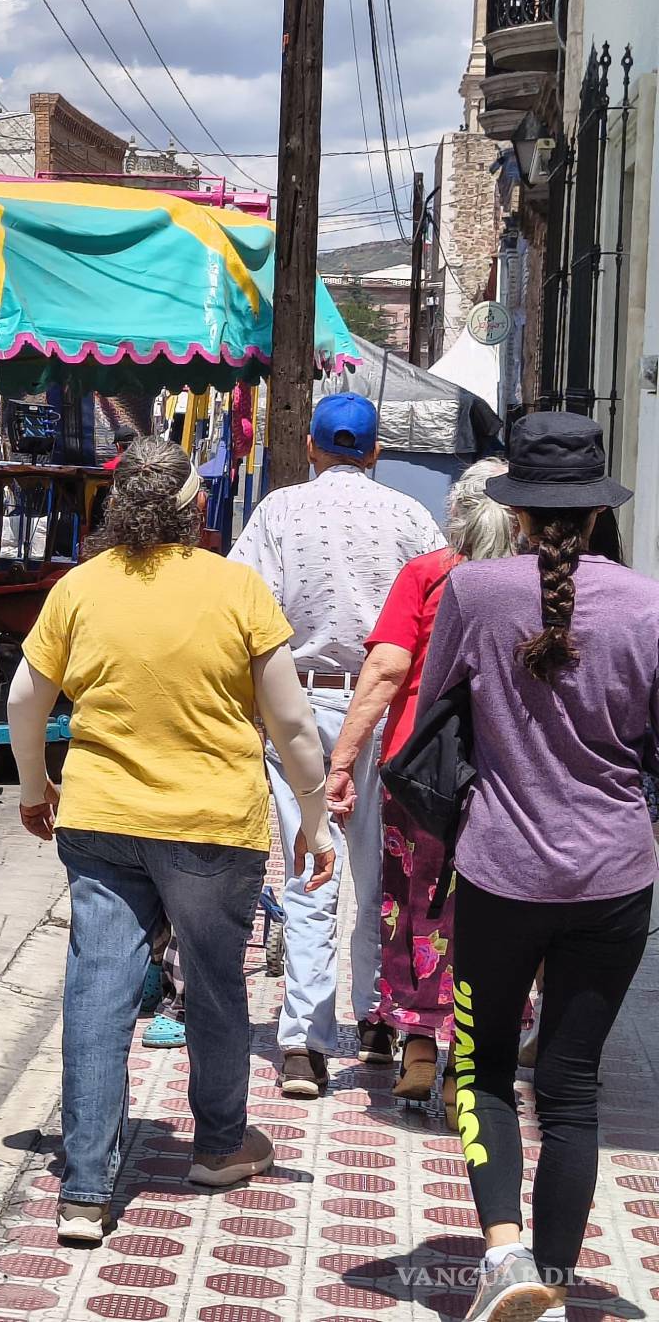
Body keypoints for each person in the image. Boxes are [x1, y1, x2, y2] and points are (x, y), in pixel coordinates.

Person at [7, 435, 334, 1245]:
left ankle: (85, 1188)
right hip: (212, 827)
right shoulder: (237, 588)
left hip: (101, 821)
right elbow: (291, 723)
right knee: (217, 985)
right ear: (195, 509)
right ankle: (220, 1146)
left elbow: (25, 699)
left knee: (97, 991)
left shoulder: (79, 589)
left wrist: (34, 784)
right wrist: (317, 818)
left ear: (117, 507)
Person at [410, 414, 658, 1322]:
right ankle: (552, 1283)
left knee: (481, 1070)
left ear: (516, 514)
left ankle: (503, 1254)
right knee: (573, 1085)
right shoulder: (649, 604)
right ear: (595, 515)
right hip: (615, 880)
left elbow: (438, 711)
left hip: (502, 874)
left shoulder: (476, 594)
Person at [229, 393, 443, 1098]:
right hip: (387, 707)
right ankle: (378, 1020)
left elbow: (243, 606)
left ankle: (303, 1046)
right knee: (381, 874)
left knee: (308, 870)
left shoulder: (279, 512)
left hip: (300, 699)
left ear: (314, 448)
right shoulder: (412, 518)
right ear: (375, 452)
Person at [324, 459, 513, 1120]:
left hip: (422, 772)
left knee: (413, 905)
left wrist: (342, 761)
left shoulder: (429, 575)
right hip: (510, 778)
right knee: (495, 916)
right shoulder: (536, 584)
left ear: (455, 515)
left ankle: (417, 1045)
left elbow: (383, 670)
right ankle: (475, 1057)